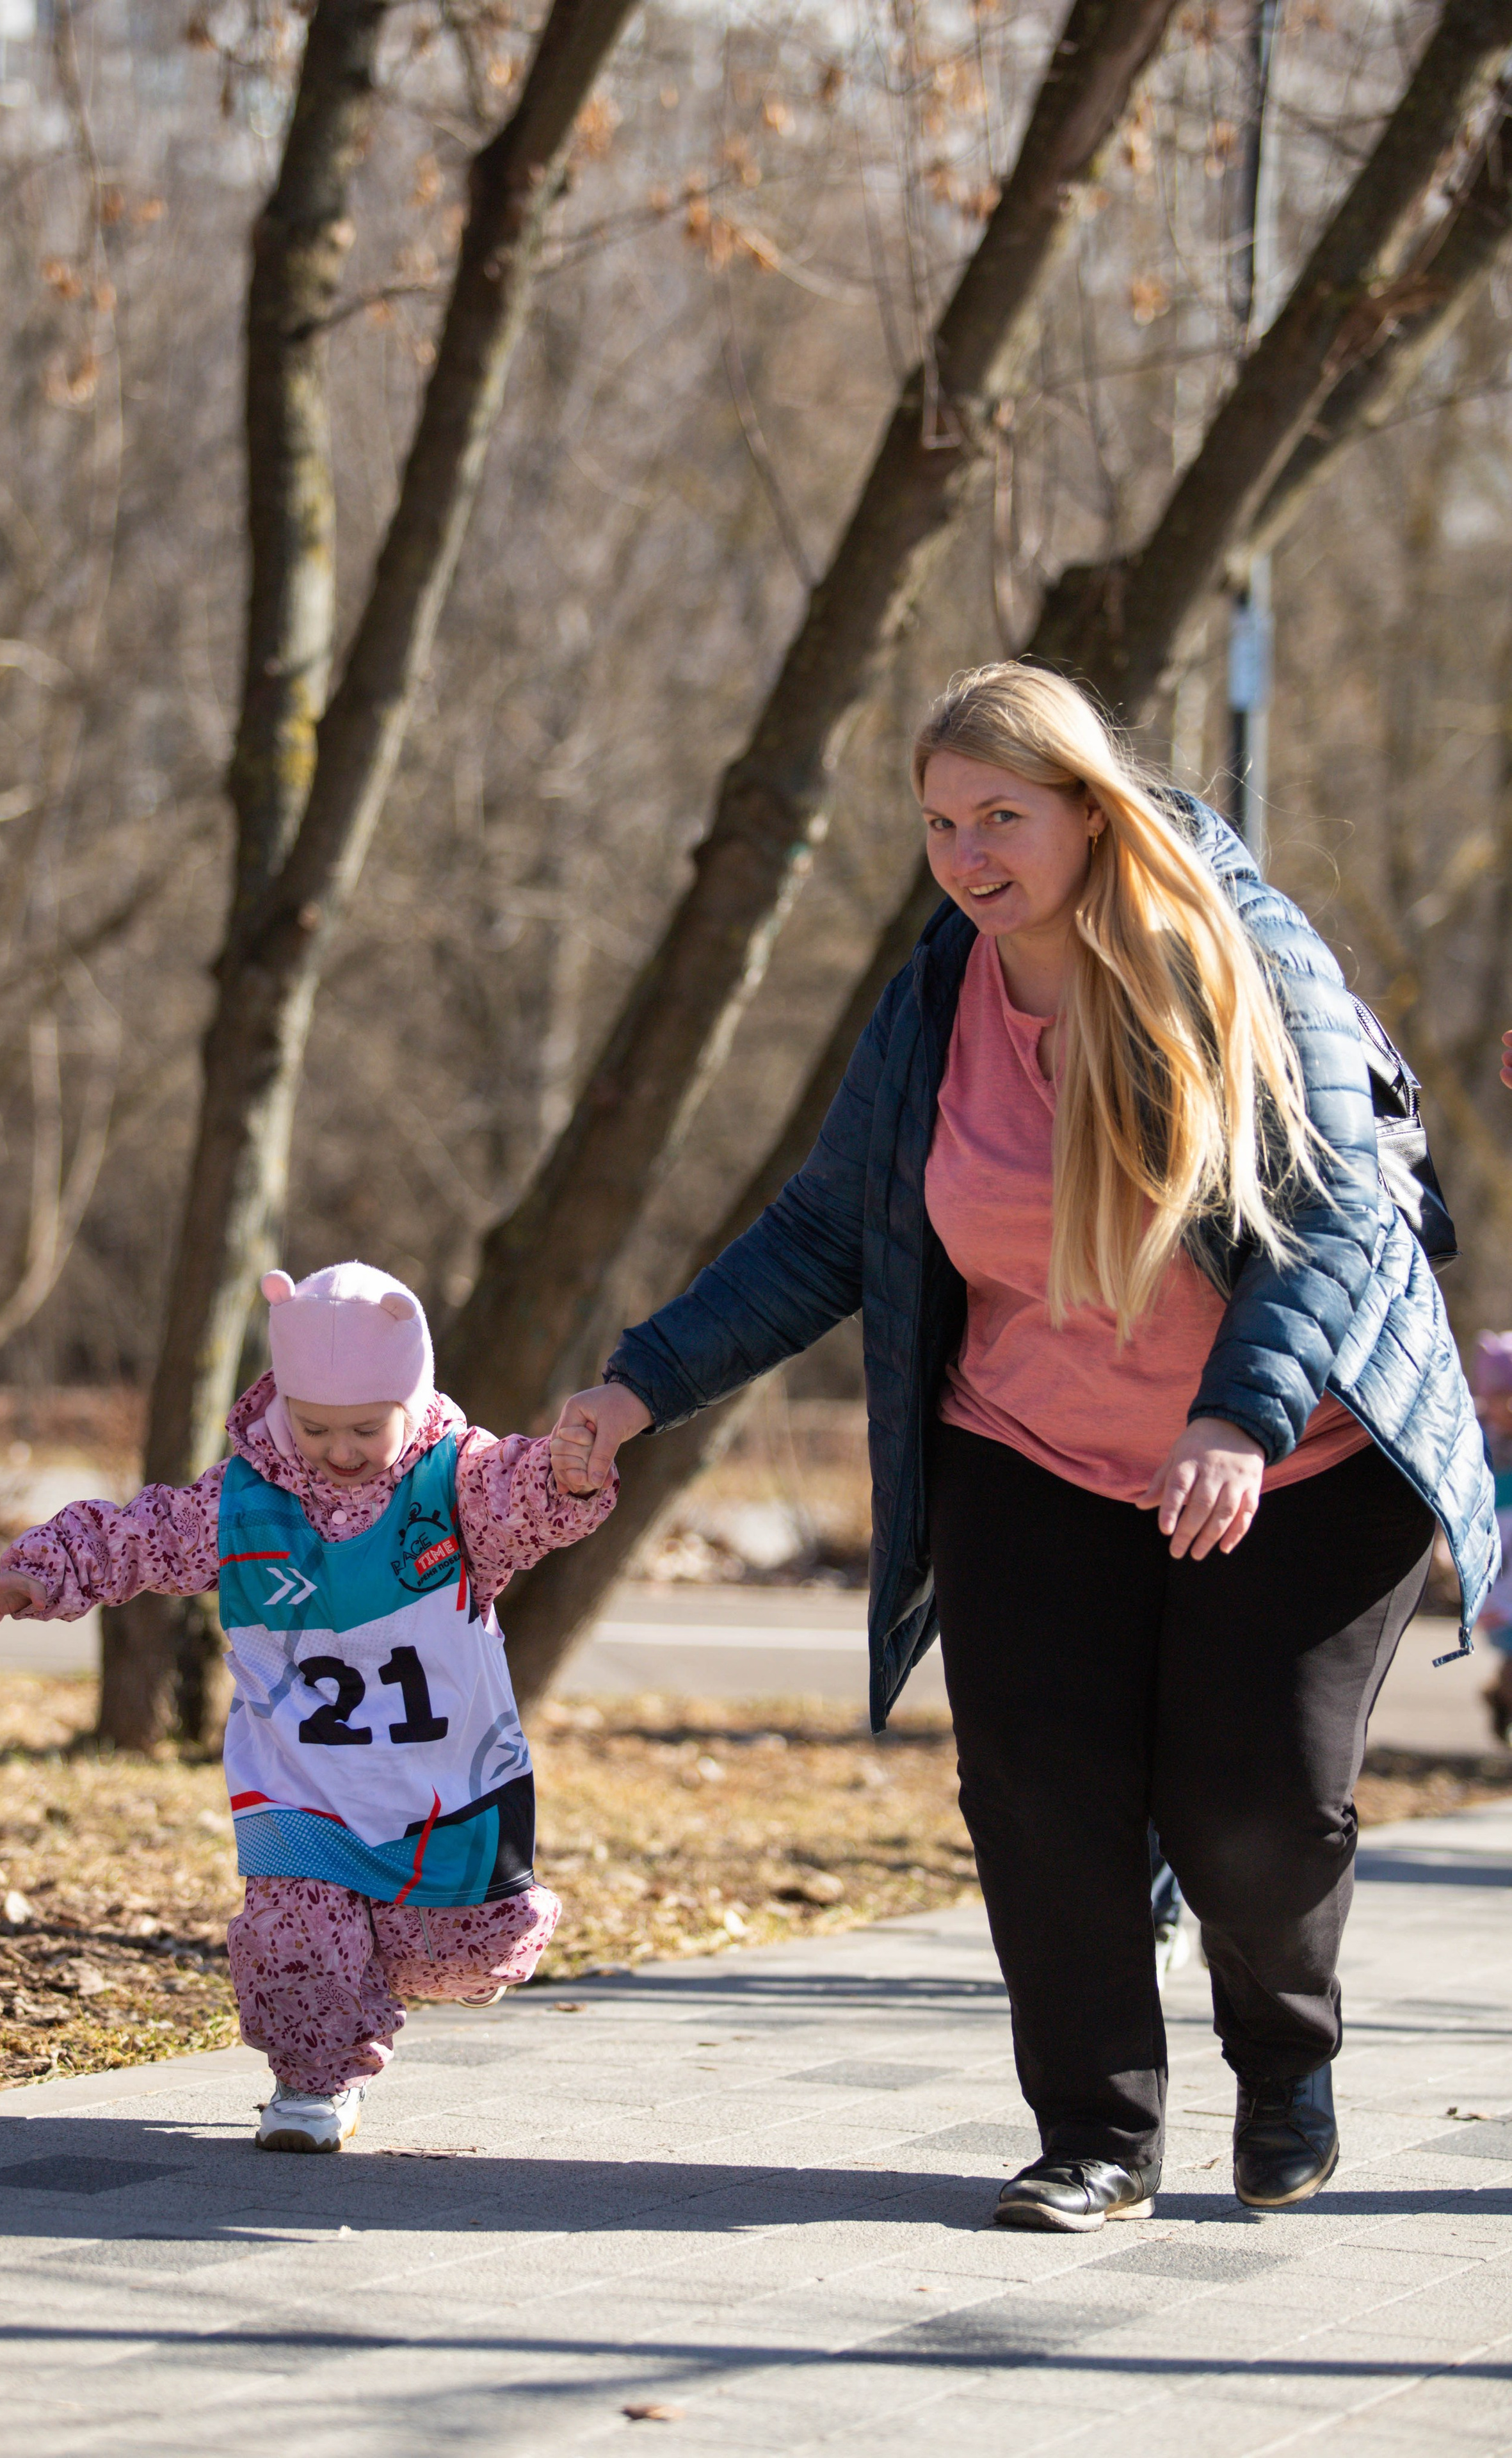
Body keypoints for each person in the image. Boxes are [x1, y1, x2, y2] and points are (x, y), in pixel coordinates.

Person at [550, 663, 1497, 2234]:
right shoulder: (937, 1000)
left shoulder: (1241, 956)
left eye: (1000, 816)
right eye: (939, 823)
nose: (966, 855)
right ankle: (1095, 2135)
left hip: (1302, 1452)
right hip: (1028, 1446)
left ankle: (1283, 2056)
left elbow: (1333, 1215)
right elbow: (823, 1231)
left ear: (1088, 810)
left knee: (1249, 1806)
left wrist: (1235, 1414)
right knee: (1036, 1790)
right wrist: (637, 1387)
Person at [0, 1260, 616, 2153]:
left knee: (471, 1942)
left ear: (412, 1399)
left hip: (444, 1778)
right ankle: (313, 2084)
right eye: (314, 1427)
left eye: (366, 1428)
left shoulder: (456, 1482)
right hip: (299, 1777)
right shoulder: (243, 1499)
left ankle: (402, 1959)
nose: (339, 1451)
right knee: (294, 1935)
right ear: (284, 1404)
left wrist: (568, 1477)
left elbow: (526, 1496)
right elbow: (143, 1534)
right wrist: (45, 1574)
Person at [1470, 1330, 1512, 1744]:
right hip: (1500, 1565)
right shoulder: (1475, 1436)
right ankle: (1504, 1699)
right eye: (1503, 1395)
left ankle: (1502, 1697)